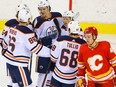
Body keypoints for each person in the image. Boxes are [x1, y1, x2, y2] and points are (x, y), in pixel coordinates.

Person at [2, 9, 51, 87]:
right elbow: (36, 48)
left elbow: (4, 44)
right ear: (28, 19)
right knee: (28, 85)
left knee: (15, 84)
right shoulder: (27, 32)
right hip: (19, 64)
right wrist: (50, 52)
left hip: (10, 62)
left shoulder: (12, 28)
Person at [0, 4, 33, 87]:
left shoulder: (27, 25)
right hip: (13, 56)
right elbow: (3, 38)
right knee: (13, 78)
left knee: (16, 79)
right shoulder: (11, 23)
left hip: (19, 56)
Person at [32, 0, 63, 86]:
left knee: (54, 73)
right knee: (42, 74)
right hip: (43, 51)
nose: (41, 11)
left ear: (49, 8)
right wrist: (41, 41)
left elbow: (64, 28)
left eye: (44, 9)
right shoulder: (37, 21)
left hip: (56, 51)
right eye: (40, 9)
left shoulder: (58, 16)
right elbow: (32, 39)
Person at [50, 21, 86, 87]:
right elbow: (83, 64)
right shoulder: (83, 44)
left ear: (69, 30)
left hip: (57, 76)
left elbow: (53, 58)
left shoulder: (61, 39)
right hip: (71, 79)